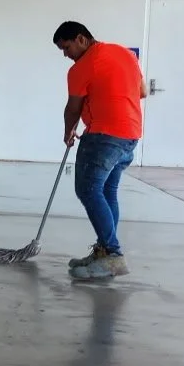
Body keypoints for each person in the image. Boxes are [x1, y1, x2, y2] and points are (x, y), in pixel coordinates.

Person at [53, 21, 144, 281]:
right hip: (130, 135)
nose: (65, 54)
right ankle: (105, 251)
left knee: (88, 190)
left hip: (104, 136)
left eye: (66, 47)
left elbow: (73, 107)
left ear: (81, 39)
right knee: (106, 191)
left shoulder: (82, 67)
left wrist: (68, 130)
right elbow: (143, 92)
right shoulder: (126, 54)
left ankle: (113, 255)